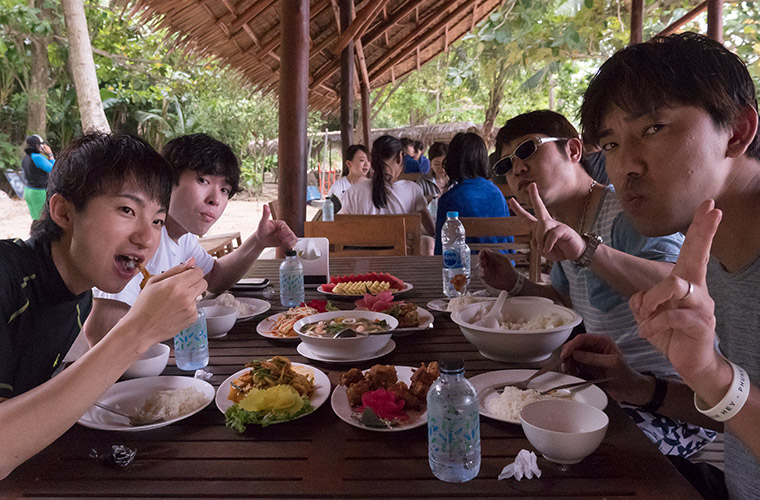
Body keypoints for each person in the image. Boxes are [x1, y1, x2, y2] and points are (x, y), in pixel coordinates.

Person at [559, 32, 760, 499]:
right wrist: (638, 386)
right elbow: (734, 412)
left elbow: (727, 391)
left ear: (736, 131)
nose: (626, 165)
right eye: (610, 144)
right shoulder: (713, 258)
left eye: (653, 129)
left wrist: (714, 375)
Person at [480, 110, 715, 458]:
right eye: (505, 164)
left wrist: (586, 250)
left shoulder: (626, 213)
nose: (517, 169)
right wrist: (514, 283)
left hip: (675, 400)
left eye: (528, 150)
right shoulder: (563, 221)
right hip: (608, 384)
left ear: (574, 150)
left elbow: (680, 287)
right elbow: (563, 300)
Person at [0, 133, 207, 479]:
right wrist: (137, 331)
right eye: (127, 210)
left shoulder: (79, 290)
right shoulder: (7, 278)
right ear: (64, 211)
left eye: (157, 220)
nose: (146, 238)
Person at [82, 133, 298, 346]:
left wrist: (258, 241)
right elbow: (101, 329)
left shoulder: (182, 236)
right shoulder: (142, 240)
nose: (215, 199)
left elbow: (214, 276)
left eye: (224, 190)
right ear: (167, 181)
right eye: (203, 180)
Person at [341, 135, 435, 254]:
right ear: (399, 157)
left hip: (364, 259)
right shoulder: (413, 190)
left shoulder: (353, 192)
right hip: (400, 260)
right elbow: (431, 230)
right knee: (429, 241)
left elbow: (343, 229)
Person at [433, 132, 513, 255]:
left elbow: (441, 249)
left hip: (464, 265)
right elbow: (508, 240)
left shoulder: (448, 199)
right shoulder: (497, 193)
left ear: (452, 161)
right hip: (500, 263)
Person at [21, 135, 55, 220]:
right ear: (37, 145)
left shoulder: (25, 158)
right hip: (39, 191)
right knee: (43, 219)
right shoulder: (38, 157)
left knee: (36, 218)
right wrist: (50, 154)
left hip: (28, 190)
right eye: (42, 144)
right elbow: (54, 169)